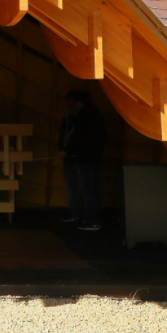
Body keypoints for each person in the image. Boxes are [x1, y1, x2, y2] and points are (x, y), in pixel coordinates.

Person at [57, 90, 105, 230]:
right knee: (80, 188)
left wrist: (67, 151)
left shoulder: (88, 117)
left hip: (85, 158)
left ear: (79, 102)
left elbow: (81, 139)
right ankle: (79, 215)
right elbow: (65, 135)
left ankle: (93, 220)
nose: (67, 104)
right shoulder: (71, 116)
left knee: (88, 190)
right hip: (76, 157)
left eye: (70, 101)